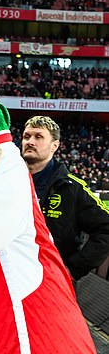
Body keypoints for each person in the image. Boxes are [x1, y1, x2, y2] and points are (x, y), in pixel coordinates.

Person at [21, 115, 109, 280]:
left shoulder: (72, 188)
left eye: (38, 137)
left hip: (51, 282)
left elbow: (106, 228)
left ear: (55, 146)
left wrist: (73, 270)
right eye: (27, 136)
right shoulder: (5, 181)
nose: (30, 142)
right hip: (9, 280)